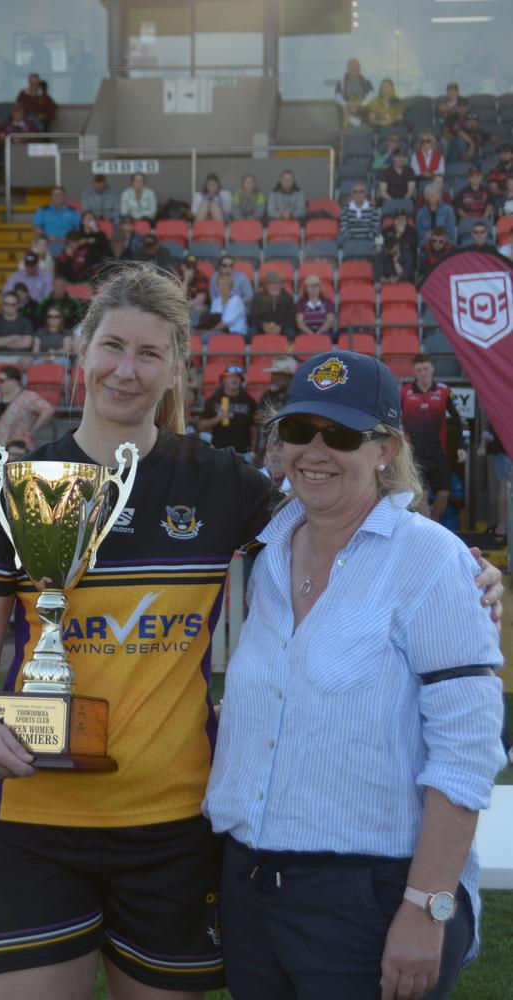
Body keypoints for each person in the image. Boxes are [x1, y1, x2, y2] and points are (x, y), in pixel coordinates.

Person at [0, 265, 279, 999]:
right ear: (81, 349)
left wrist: (458, 568)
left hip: (174, 822)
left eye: (150, 354)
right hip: (30, 820)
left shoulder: (219, 483)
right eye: (112, 346)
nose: (126, 371)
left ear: (178, 367)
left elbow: (342, 534)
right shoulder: (24, 486)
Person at [204, 350, 506, 1000]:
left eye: (340, 434)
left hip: (371, 891)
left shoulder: (434, 562)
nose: (315, 449)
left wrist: (429, 907)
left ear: (385, 448)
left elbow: (469, 753)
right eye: (297, 429)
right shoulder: (270, 550)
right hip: (251, 887)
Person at [401, 353, 467, 522]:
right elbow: (393, 421)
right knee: (421, 495)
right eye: (419, 369)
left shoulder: (445, 391)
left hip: (438, 451)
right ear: (414, 371)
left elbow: (462, 420)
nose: (423, 372)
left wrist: (462, 445)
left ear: (432, 369)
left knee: (444, 494)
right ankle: (428, 538)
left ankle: (432, 529)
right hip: (413, 452)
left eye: (426, 368)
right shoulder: (404, 392)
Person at [0, 363, 55, 451]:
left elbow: (48, 410)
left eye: (1, 380)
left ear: (14, 380)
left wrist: (34, 430)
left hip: (17, 448)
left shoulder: (28, 397)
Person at [198, 364, 258, 458]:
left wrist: (253, 452)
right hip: (219, 451)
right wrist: (217, 418)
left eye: (238, 377)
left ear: (241, 381)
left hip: (243, 452)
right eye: (231, 376)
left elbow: (253, 429)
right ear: (223, 380)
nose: (234, 379)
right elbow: (201, 426)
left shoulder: (249, 401)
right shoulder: (213, 400)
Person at [476, 422, 511, 543]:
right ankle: (503, 526)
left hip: (502, 448)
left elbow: (490, 428)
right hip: (504, 448)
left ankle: (502, 526)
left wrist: (482, 445)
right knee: (506, 488)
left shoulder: (501, 403)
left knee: (504, 486)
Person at [248, 271, 297, 341]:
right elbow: (252, 317)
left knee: (291, 334)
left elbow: (291, 318)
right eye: (272, 283)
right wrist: (263, 325)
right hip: (262, 326)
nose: (275, 286)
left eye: (277, 283)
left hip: (282, 326)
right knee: (250, 334)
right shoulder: (258, 297)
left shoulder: (287, 297)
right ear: (266, 285)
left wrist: (281, 327)